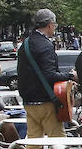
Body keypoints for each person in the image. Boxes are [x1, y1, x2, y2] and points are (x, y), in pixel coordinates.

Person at [18, 9, 74, 139]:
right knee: (58, 142)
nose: (54, 28)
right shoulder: (45, 45)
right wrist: (70, 75)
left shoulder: (26, 43)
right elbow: (50, 75)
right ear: (49, 25)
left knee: (33, 141)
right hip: (45, 101)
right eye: (54, 25)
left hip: (28, 101)